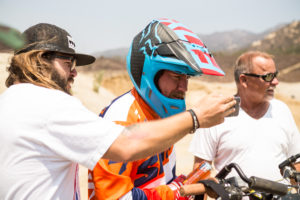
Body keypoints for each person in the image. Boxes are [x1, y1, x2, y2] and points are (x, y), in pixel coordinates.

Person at [0, 23, 236, 199]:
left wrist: (183, 185)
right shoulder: (49, 103)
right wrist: (195, 118)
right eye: (68, 63)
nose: (74, 73)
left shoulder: (11, 102)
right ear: (39, 59)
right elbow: (126, 150)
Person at [88, 18, 226, 200]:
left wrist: (188, 185)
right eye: (177, 77)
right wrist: (178, 191)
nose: (184, 87)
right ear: (150, 73)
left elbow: (160, 181)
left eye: (187, 78)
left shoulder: (159, 115)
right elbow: (114, 196)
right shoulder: (121, 117)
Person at [189, 51, 300, 183]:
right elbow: (201, 170)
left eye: (275, 75)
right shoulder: (215, 113)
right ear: (244, 80)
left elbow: (296, 164)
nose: (276, 82)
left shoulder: (282, 110)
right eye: (268, 76)